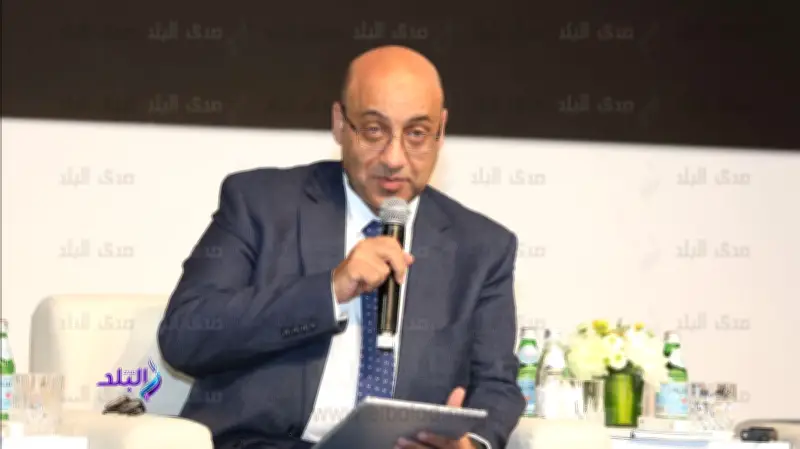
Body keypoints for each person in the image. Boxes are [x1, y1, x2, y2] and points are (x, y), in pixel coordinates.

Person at [157, 45, 525, 449]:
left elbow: (496, 384)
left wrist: (471, 443)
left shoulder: (482, 248)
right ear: (339, 123)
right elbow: (184, 336)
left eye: (417, 133)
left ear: (441, 131)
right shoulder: (261, 204)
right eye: (374, 130)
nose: (394, 158)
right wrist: (329, 290)